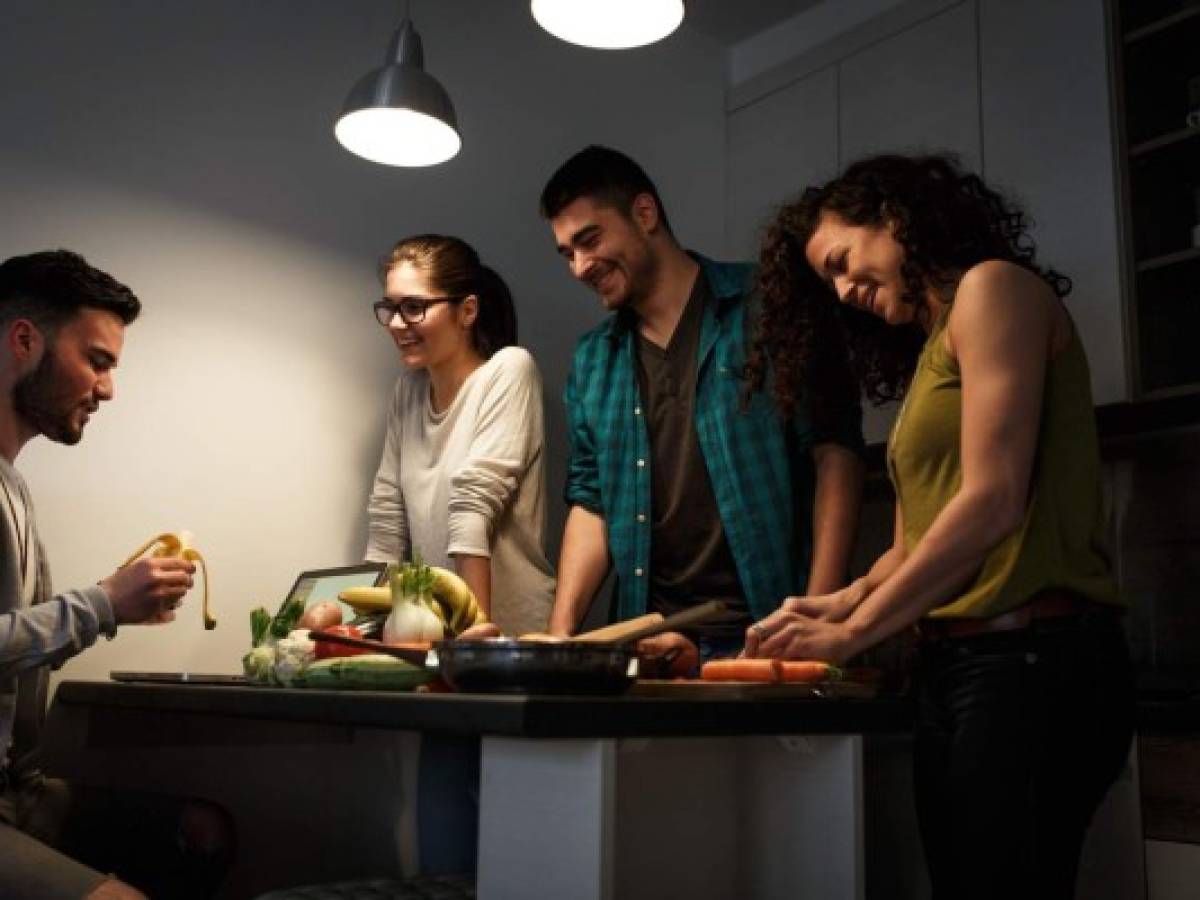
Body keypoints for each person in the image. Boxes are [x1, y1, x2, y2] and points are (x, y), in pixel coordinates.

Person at [743, 154, 1134, 898]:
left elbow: (993, 502)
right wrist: (840, 601)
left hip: (1034, 660)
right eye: (829, 282)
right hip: (963, 666)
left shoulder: (994, 290)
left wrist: (854, 636)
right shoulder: (935, 347)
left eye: (843, 262)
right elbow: (911, 544)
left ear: (893, 218)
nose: (843, 289)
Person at [540, 146, 865, 664]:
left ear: (644, 214)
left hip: (771, 630)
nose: (579, 266)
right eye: (566, 254)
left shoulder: (768, 305)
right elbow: (591, 501)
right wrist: (560, 637)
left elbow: (835, 454)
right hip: (650, 646)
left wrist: (817, 613)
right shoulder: (593, 359)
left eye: (589, 240)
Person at [0, 250, 232, 899]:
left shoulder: (13, 486)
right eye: (97, 361)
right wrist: (103, 603)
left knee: (203, 831)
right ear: (25, 341)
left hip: (18, 791)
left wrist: (116, 604)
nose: (107, 389)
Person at [364, 234, 555, 637]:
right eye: (391, 308)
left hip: (504, 636)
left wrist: (475, 638)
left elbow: (473, 503)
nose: (398, 324)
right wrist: (354, 629)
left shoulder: (509, 369)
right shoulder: (408, 391)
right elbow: (387, 522)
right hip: (434, 637)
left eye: (414, 308)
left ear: (467, 311)